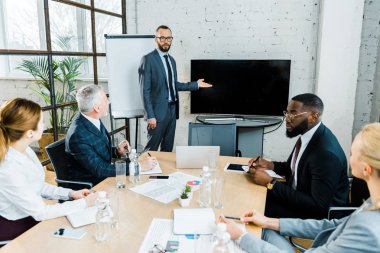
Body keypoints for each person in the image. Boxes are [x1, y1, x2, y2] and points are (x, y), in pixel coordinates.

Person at [218, 122, 380, 253]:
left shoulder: (367, 228)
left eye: (352, 153)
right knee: (261, 229)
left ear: (366, 169)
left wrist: (242, 237)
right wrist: (268, 221)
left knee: (243, 237)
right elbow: (331, 226)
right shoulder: (373, 203)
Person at [0, 98, 97, 242]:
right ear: (29, 133)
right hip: (15, 226)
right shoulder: (8, 168)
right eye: (41, 122)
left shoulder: (25, 149)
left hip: (31, 215)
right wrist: (84, 203)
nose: (45, 126)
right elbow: (41, 213)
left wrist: (71, 194)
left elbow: (37, 186)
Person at [248, 93, 348, 219]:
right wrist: (269, 165)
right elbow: (295, 169)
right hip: (299, 198)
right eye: (287, 113)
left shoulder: (325, 154)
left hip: (317, 216)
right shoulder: (308, 135)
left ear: (313, 116)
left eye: (293, 114)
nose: (287, 119)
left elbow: (318, 206)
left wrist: (270, 182)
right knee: (251, 193)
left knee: (254, 205)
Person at [139, 25, 212, 152]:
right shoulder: (148, 59)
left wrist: (196, 84)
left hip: (172, 111)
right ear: (156, 39)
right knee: (151, 150)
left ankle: (162, 173)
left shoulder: (171, 60)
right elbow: (145, 91)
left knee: (167, 149)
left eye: (169, 38)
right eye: (162, 38)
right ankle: (147, 172)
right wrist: (150, 115)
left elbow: (174, 85)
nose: (166, 41)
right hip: (157, 113)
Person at [65, 84, 157, 186]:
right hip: (91, 186)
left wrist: (116, 151)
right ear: (97, 108)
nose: (108, 102)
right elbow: (100, 169)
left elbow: (96, 151)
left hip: (104, 178)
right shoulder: (78, 135)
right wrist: (138, 166)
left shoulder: (91, 119)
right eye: (105, 99)